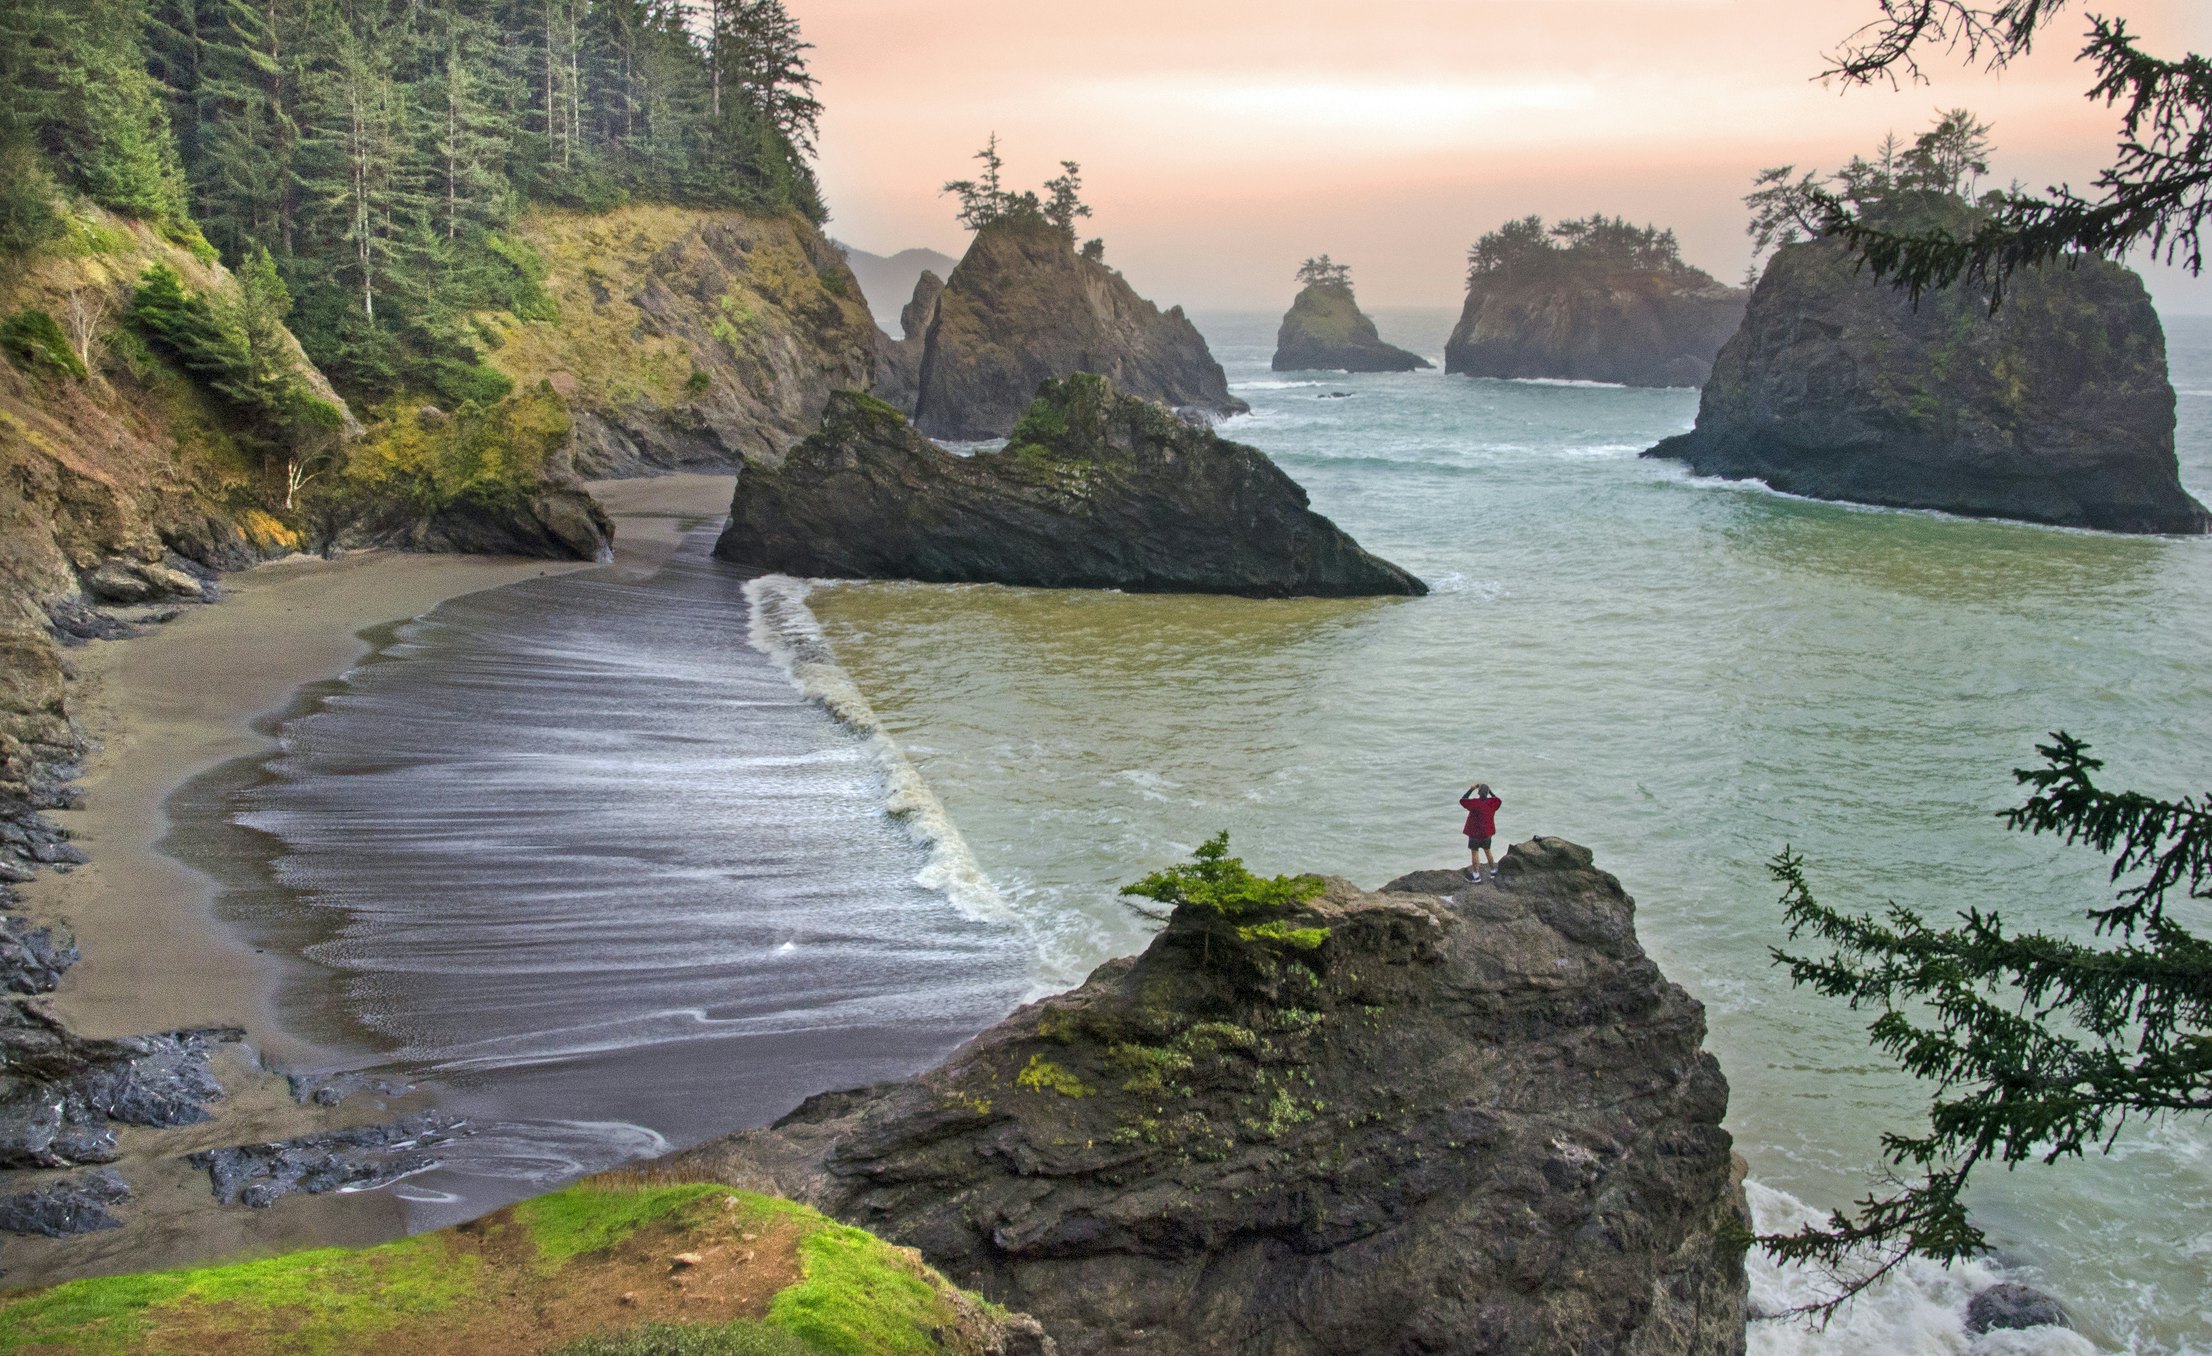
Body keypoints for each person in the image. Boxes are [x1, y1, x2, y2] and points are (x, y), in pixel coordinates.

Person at [1459, 782, 1502, 882]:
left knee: (1475, 853)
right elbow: (1498, 800)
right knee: (1488, 850)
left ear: (1478, 793)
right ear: (1487, 793)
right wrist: (1490, 791)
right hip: (1487, 833)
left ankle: (1476, 876)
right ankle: (1493, 871)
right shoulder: (1492, 803)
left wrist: (1471, 789)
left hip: (1474, 833)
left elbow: (1462, 801)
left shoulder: (1474, 803)